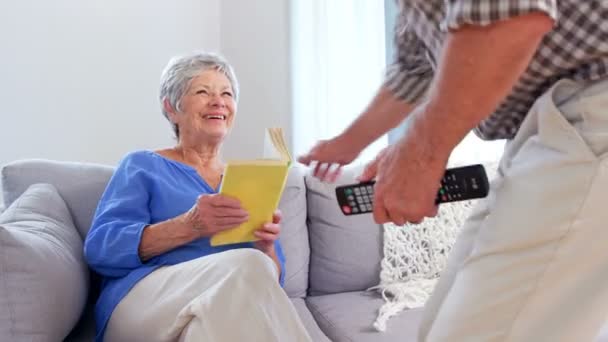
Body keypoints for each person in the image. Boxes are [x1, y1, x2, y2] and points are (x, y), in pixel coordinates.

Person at [299, 1, 608, 341]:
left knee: (472, 330)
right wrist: (347, 144)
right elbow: (414, 71)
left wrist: (423, 151)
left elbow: (514, 18)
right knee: (443, 321)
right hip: (540, 129)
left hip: (590, 104)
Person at [84, 52, 312, 342]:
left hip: (218, 307)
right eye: (203, 92)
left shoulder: (247, 180)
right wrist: (190, 225)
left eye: (227, 93)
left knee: (214, 321)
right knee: (249, 265)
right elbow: (101, 250)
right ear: (171, 109)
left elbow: (271, 282)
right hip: (142, 301)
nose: (218, 101)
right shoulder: (143, 165)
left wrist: (265, 246)